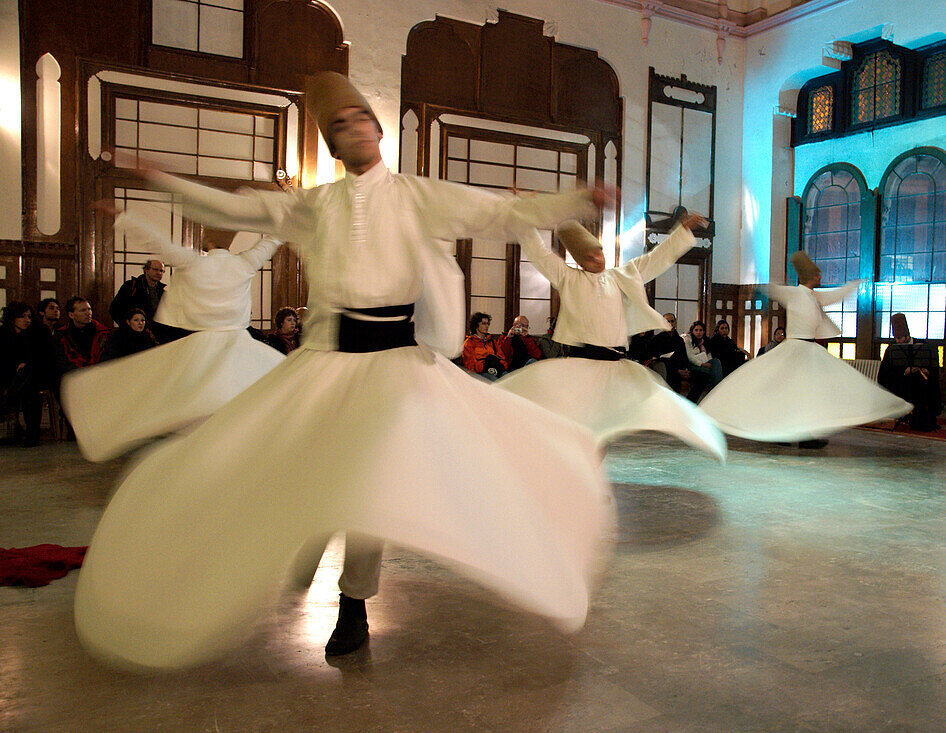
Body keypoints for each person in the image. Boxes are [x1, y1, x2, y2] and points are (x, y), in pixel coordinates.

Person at [74, 71, 614, 671]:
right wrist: (159, 179)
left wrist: (574, 202)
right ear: (333, 145)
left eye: (362, 119)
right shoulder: (315, 205)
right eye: (340, 125)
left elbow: (500, 214)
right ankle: (298, 540)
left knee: (370, 482)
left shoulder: (416, 195)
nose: (354, 127)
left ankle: (353, 603)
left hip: (394, 364)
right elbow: (237, 207)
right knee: (282, 457)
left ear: (379, 133)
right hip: (325, 362)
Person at [61, 208, 284, 463]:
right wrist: (288, 214)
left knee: (198, 412)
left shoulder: (195, 262)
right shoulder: (246, 262)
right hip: (242, 350)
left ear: (209, 240)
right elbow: (273, 240)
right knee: (242, 410)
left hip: (204, 348)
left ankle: (206, 463)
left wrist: (122, 216)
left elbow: (155, 240)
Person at [495, 215, 726, 460]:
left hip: (616, 367)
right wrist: (523, 218)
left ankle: (590, 473)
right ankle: (573, 470)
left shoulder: (621, 276)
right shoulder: (569, 277)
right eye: (590, 257)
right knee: (583, 428)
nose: (598, 259)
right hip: (582, 366)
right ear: (580, 261)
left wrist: (681, 231)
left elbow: (656, 259)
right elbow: (539, 254)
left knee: (608, 428)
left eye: (599, 253)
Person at [700, 251, 910, 447]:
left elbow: (835, 296)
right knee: (791, 391)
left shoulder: (814, 296)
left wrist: (854, 285)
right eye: (817, 273)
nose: (820, 276)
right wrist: (764, 278)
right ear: (810, 276)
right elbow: (773, 288)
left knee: (809, 392)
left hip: (808, 348)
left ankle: (803, 434)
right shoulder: (794, 293)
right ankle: (785, 433)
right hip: (795, 348)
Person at [877, 313, 941, 431]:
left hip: (919, 383)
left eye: (901, 338)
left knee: (928, 386)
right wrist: (904, 371)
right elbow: (884, 373)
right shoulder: (892, 349)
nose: (899, 341)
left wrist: (926, 370)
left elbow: (932, 364)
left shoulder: (922, 345)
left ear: (907, 335)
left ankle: (924, 419)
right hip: (900, 383)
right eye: (897, 338)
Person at [0, 302, 52, 446]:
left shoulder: (39, 332)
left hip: (36, 374)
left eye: (29, 317)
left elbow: (45, 358)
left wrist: (27, 364)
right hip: (10, 376)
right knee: (23, 382)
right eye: (22, 317)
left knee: (28, 384)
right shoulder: (4, 334)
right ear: (12, 319)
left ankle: (31, 434)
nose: (27, 320)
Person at [55, 297, 110, 375]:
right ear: (71, 315)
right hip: (73, 376)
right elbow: (61, 361)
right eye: (83, 310)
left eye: (89, 309)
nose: (88, 313)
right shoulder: (62, 335)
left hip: (99, 374)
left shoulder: (103, 332)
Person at [109, 259, 166, 332]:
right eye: (155, 270)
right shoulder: (131, 286)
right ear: (146, 270)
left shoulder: (164, 289)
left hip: (157, 332)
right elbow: (114, 309)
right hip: (134, 333)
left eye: (161, 271)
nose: (158, 273)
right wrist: (127, 326)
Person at [646, 312, 691, 393]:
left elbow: (684, 356)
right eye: (667, 321)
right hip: (666, 369)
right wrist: (677, 370)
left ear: (675, 323)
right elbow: (657, 358)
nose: (670, 323)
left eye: (672, 321)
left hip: (679, 368)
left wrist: (685, 369)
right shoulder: (657, 339)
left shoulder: (679, 340)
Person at [682, 320, 723, 402]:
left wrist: (708, 363)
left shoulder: (705, 341)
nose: (698, 332)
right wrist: (702, 364)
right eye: (696, 330)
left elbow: (709, 356)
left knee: (716, 362)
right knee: (709, 372)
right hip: (692, 364)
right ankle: (715, 395)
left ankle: (716, 391)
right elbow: (690, 356)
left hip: (704, 362)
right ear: (692, 331)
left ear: (704, 331)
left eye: (701, 330)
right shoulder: (687, 339)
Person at [461, 312, 508, 379]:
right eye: (483, 323)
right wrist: (485, 367)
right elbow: (469, 365)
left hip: (496, 368)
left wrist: (501, 366)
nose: (487, 326)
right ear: (476, 325)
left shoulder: (492, 341)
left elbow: (502, 359)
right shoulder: (470, 342)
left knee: (509, 379)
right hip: (480, 372)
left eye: (488, 323)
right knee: (495, 382)